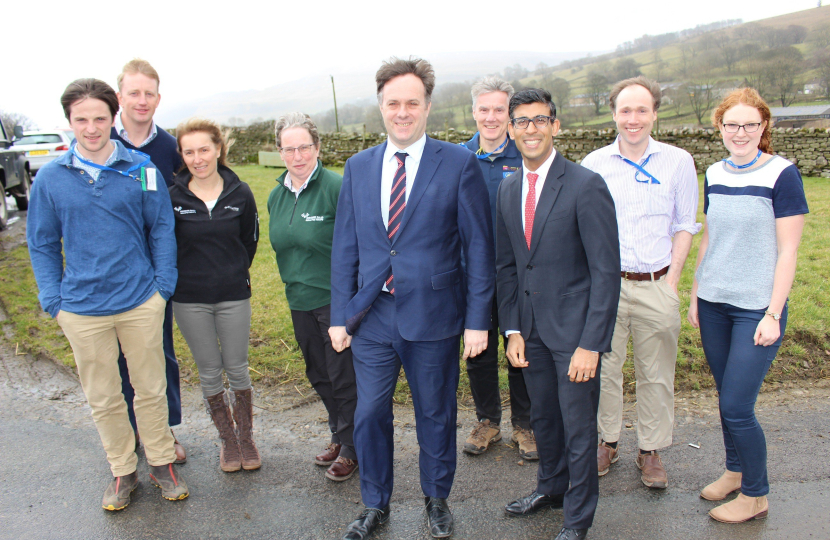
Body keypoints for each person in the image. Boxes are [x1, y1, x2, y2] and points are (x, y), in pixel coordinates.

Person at [330, 57, 494, 540]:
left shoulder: (459, 162)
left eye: (412, 103)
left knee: (436, 413)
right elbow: (345, 247)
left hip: (436, 314)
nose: (402, 112)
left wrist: (478, 320)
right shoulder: (359, 167)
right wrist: (342, 315)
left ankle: (436, 497)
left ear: (427, 107)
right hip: (373, 314)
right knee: (369, 413)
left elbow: (478, 248)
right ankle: (375, 504)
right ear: (381, 106)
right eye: (393, 102)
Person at [27, 78, 188, 510]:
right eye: (82, 119)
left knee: (150, 388)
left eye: (100, 118)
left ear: (113, 117)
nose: (92, 128)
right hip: (81, 308)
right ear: (70, 122)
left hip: (140, 301)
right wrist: (53, 301)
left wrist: (162, 288)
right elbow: (41, 243)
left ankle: (160, 463)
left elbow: (162, 230)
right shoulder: (50, 179)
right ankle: (122, 470)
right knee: (104, 396)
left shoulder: (141, 169)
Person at [496, 89, 619, 540]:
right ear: (510, 130)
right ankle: (551, 488)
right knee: (543, 419)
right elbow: (507, 266)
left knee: (578, 429)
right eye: (522, 121)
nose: (531, 129)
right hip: (529, 331)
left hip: (575, 336)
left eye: (540, 120)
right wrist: (512, 329)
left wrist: (591, 343)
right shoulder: (509, 189)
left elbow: (606, 273)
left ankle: (578, 518)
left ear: (556, 125)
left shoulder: (586, 185)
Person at [688, 88, 808, 524]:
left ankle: (756, 494)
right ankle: (735, 471)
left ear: (763, 128)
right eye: (732, 125)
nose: (741, 132)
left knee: (738, 405)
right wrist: (697, 293)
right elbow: (710, 236)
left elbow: (789, 251)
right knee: (727, 400)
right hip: (714, 303)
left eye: (750, 125)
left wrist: (774, 313)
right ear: (720, 128)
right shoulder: (714, 173)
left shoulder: (783, 174)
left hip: (757, 308)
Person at [581, 76, 700, 488]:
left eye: (642, 110)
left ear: (654, 113)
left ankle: (650, 451)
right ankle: (607, 441)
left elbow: (686, 224)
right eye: (625, 110)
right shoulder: (594, 165)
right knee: (605, 367)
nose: (633, 119)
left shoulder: (679, 161)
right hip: (607, 287)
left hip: (656, 284)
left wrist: (673, 281)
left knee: (656, 372)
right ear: (613, 113)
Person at [267, 112, 358, 482]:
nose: (298, 155)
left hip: (335, 301)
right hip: (298, 300)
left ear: (317, 147)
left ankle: (353, 449)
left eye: (305, 146)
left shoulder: (336, 187)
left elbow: (358, 243)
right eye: (289, 148)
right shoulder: (275, 195)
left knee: (343, 377)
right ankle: (339, 433)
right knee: (318, 374)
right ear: (279, 152)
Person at [168, 118, 261, 472]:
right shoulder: (173, 196)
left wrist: (231, 271)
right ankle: (228, 441)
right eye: (188, 151)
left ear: (218, 149)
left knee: (237, 369)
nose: (197, 158)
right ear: (182, 155)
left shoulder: (241, 193)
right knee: (209, 372)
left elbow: (249, 242)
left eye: (204, 149)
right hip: (189, 299)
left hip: (233, 295)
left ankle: (247, 439)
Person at [111, 59, 186, 463]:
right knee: (117, 356)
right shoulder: (100, 141)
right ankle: (127, 432)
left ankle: (165, 430)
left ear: (158, 98)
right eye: (134, 93)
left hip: (157, 268)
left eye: (149, 93)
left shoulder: (170, 149)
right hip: (111, 269)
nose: (142, 101)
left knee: (160, 351)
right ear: (119, 95)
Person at [459, 77, 536, 460]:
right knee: (478, 350)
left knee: (520, 349)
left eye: (499, 110)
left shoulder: (525, 156)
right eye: (484, 109)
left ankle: (525, 424)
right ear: (474, 112)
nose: (491, 117)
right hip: (470, 276)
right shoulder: (457, 159)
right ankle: (487, 419)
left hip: (517, 276)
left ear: (510, 114)